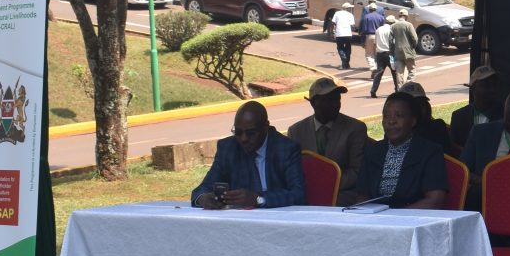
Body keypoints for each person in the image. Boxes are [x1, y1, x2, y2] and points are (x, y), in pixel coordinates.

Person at [192, 101, 306, 209]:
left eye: (251, 133)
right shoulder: (228, 148)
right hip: (240, 219)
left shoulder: (285, 148)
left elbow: (298, 194)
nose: (244, 139)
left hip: (278, 217)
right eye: (238, 132)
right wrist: (203, 199)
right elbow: (201, 190)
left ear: (265, 127)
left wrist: (258, 199)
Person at [352, 91, 449, 209]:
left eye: (399, 115)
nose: (391, 121)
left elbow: (435, 200)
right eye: (386, 116)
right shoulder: (373, 152)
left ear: (413, 121)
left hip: (413, 216)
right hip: (376, 216)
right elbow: (362, 195)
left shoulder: (430, 152)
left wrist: (397, 215)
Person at [285, 77, 369, 205]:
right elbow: (291, 171)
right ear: (313, 103)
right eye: (328, 100)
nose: (335, 104)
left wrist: (327, 184)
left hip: (341, 196)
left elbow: (358, 171)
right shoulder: (296, 131)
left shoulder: (355, 128)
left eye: (337, 99)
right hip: (308, 195)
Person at [450, 66, 504, 148]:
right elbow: (453, 149)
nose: (492, 89)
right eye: (486, 85)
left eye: (494, 85)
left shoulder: (505, 115)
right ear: (472, 89)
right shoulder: (459, 117)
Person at [397, 81, 454, 153]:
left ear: (426, 107)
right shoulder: (394, 133)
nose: (416, 110)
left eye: (419, 105)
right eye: (410, 106)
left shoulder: (437, 127)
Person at [369, 15, 400, 97]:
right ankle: (397, 90)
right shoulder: (392, 29)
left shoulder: (378, 29)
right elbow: (394, 42)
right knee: (394, 72)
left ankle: (373, 90)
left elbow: (375, 42)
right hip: (390, 54)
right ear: (392, 23)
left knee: (379, 73)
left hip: (379, 53)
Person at [390, 8, 420, 85]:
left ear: (399, 16)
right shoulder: (409, 25)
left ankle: (400, 88)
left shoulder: (393, 26)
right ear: (406, 16)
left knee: (399, 72)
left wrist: (392, 52)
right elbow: (415, 38)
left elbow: (390, 41)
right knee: (411, 70)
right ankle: (409, 86)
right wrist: (413, 46)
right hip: (408, 51)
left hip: (398, 52)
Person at [329, 2, 358, 70]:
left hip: (339, 34)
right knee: (348, 48)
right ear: (347, 8)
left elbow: (332, 23)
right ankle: (346, 63)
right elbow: (352, 26)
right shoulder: (350, 15)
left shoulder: (337, 13)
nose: (350, 9)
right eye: (350, 8)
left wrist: (331, 32)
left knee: (340, 48)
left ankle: (344, 60)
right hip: (348, 34)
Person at [359, 0, 384, 69]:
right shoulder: (381, 17)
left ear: (369, 9)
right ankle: (376, 66)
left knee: (369, 54)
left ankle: (373, 67)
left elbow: (364, 30)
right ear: (376, 9)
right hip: (378, 37)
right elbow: (382, 28)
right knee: (376, 53)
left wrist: (362, 41)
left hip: (369, 36)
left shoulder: (366, 17)